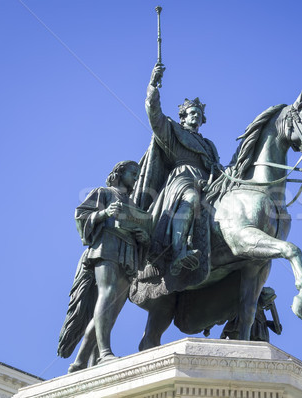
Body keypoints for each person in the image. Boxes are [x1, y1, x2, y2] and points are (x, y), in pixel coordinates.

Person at [57, 161, 149, 372]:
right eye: (132, 173)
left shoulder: (134, 205)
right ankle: (104, 354)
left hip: (128, 254)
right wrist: (105, 213)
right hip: (106, 247)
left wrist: (143, 236)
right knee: (106, 295)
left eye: (137, 174)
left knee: (112, 311)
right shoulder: (104, 193)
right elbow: (81, 215)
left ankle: (80, 362)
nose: (136, 177)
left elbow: (141, 230)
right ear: (119, 173)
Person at [134, 63, 222, 279]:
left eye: (199, 115)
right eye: (192, 113)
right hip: (182, 179)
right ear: (183, 116)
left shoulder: (209, 145)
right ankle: (179, 251)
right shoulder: (173, 132)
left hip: (209, 183)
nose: (195, 117)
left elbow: (218, 169)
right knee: (191, 199)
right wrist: (153, 85)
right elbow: (154, 115)